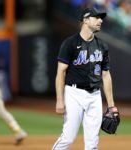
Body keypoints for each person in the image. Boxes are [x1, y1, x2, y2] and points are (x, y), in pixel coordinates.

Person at [52, 7, 119, 150]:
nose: (100, 20)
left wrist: (111, 105)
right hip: (73, 94)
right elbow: (60, 73)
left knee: (92, 142)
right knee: (68, 138)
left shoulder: (102, 46)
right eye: (96, 17)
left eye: (101, 18)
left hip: (95, 95)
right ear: (86, 20)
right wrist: (59, 99)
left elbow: (106, 75)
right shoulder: (69, 43)